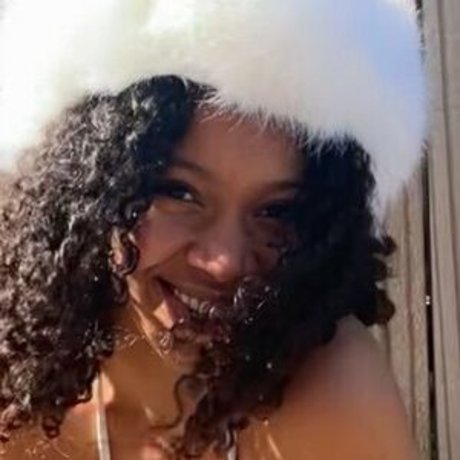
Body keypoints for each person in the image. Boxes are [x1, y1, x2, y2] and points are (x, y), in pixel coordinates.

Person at [0, 0, 426, 459]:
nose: (223, 262)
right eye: (180, 193)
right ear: (90, 186)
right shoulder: (19, 382)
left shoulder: (333, 397)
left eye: (275, 211)